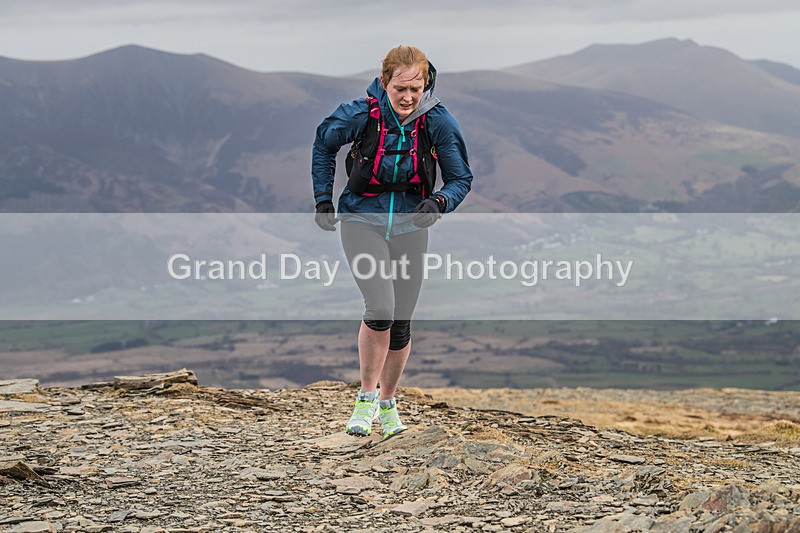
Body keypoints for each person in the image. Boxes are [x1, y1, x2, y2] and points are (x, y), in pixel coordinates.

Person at [311, 45, 472, 437]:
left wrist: (439, 202)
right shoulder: (360, 114)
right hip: (361, 219)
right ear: (384, 83)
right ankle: (365, 400)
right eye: (400, 88)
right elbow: (323, 143)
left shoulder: (437, 121)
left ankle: (388, 403)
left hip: (411, 225)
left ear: (426, 84)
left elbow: (460, 178)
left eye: (416, 88)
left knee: (401, 322)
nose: (408, 97)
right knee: (381, 307)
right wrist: (322, 199)